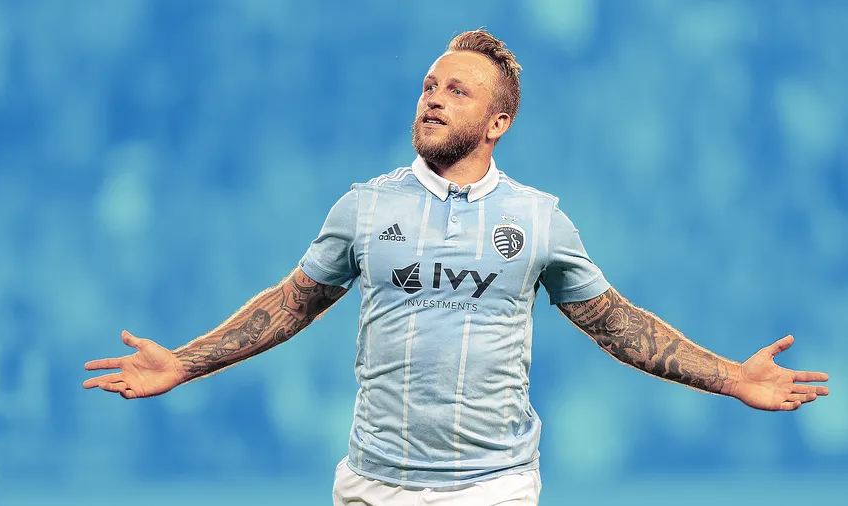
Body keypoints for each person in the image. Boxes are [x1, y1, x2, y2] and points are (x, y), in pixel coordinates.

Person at [83, 29, 831, 506]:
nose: (434, 99)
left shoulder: (539, 219)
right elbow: (290, 303)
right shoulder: (364, 206)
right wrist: (184, 363)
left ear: (498, 122)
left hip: (492, 489)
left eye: (457, 90)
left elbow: (616, 324)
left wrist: (732, 378)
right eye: (428, 86)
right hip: (373, 484)